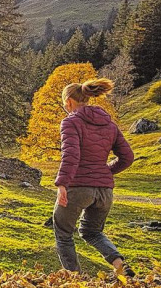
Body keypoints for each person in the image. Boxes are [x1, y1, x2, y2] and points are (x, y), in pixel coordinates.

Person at [53, 78, 136, 276]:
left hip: (78, 187)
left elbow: (71, 155)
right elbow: (128, 157)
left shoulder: (70, 122)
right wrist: (105, 171)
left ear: (70, 102)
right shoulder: (109, 124)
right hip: (104, 191)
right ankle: (119, 264)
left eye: (65, 103)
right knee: (92, 232)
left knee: (63, 233)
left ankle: (74, 279)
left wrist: (62, 184)